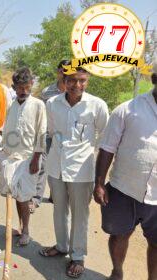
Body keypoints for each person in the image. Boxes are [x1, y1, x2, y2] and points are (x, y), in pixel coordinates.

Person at [39, 67, 109, 278]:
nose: (77, 85)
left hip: (82, 170)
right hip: (56, 166)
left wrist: (100, 177)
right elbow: (51, 132)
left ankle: (77, 256)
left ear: (87, 81)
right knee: (59, 209)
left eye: (82, 81)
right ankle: (61, 246)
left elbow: (105, 137)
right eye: (72, 80)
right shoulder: (52, 103)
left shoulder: (97, 105)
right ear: (64, 79)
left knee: (80, 214)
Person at [93, 58, 157, 280]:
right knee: (120, 234)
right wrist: (99, 183)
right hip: (124, 188)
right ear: (155, 79)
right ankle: (117, 271)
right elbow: (107, 148)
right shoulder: (127, 110)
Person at [0, 68, 46, 246]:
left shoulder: (38, 105)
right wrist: (3, 156)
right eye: (20, 87)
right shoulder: (12, 104)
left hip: (28, 159)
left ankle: (26, 230)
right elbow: (7, 130)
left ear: (31, 85)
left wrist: (36, 159)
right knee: (14, 195)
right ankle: (18, 226)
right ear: (14, 87)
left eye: (27, 87)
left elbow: (41, 132)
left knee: (25, 197)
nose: (24, 91)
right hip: (10, 157)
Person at [35, 59, 71, 206]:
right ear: (58, 72)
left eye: (68, 70)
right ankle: (36, 198)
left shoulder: (75, 91)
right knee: (42, 165)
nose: (64, 73)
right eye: (62, 70)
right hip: (48, 135)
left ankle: (55, 195)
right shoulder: (47, 92)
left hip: (68, 137)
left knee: (62, 166)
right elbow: (40, 114)